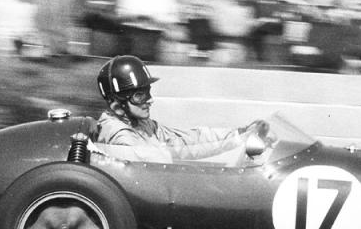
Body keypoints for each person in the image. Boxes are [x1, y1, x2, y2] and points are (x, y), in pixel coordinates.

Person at [95, 55, 263, 163]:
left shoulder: (143, 125)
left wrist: (239, 135)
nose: (149, 100)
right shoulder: (118, 135)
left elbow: (186, 141)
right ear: (117, 107)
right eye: (139, 96)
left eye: (148, 92)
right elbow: (155, 165)